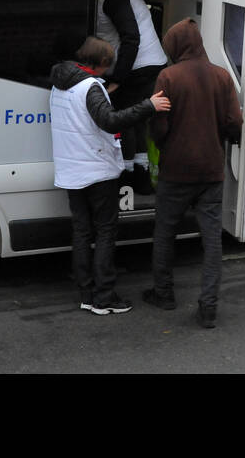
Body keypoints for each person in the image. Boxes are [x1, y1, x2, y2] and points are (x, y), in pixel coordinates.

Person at [50, 36, 170, 315]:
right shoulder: (89, 87)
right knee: (105, 231)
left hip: (70, 169)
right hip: (96, 169)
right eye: (108, 66)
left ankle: (86, 293)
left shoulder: (59, 85)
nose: (109, 71)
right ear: (101, 63)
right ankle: (104, 296)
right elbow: (110, 121)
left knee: (81, 231)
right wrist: (148, 106)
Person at [143, 19, 242, 329]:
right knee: (212, 242)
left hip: (176, 171)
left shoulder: (168, 77)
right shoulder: (223, 77)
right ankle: (208, 308)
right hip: (211, 171)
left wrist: (164, 143)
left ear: (175, 47)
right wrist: (221, 141)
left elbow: (159, 127)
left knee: (165, 233)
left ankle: (164, 294)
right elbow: (234, 125)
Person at [95, 0, 168, 193]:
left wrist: (118, 78)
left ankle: (125, 179)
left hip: (135, 69)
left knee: (126, 122)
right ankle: (143, 179)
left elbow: (131, 38)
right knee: (141, 123)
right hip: (154, 64)